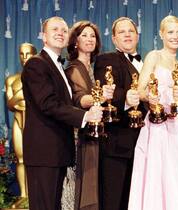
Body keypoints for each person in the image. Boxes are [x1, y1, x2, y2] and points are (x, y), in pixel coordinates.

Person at [21, 16, 103, 210]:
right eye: (55, 29)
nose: (60, 33)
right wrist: (84, 116)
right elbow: (48, 104)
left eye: (64, 30)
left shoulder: (58, 66)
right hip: (44, 152)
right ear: (43, 36)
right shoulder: (36, 64)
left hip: (56, 151)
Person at [128, 15, 178, 210]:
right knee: (160, 175)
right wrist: (151, 98)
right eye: (170, 32)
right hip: (160, 125)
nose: (175, 36)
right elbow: (141, 90)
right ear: (161, 34)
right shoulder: (154, 56)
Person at [94, 17, 146, 210]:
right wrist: (126, 97)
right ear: (114, 39)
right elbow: (108, 89)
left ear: (137, 36)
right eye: (122, 32)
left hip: (144, 144)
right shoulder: (106, 59)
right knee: (114, 199)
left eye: (131, 31)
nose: (127, 35)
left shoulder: (147, 62)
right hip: (117, 144)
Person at [65, 20, 114, 210]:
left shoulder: (93, 68)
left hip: (95, 135)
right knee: (85, 186)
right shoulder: (74, 68)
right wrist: (99, 97)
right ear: (75, 41)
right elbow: (79, 99)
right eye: (84, 35)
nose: (89, 39)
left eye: (92, 35)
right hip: (81, 137)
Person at [5, 42, 37, 208]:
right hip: (18, 121)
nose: (25, 58)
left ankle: (36, 195)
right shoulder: (12, 79)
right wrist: (21, 94)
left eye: (28, 54)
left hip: (36, 124)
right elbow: (11, 104)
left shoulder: (40, 77)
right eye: (22, 54)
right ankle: (24, 195)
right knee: (21, 159)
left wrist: (19, 98)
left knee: (36, 161)